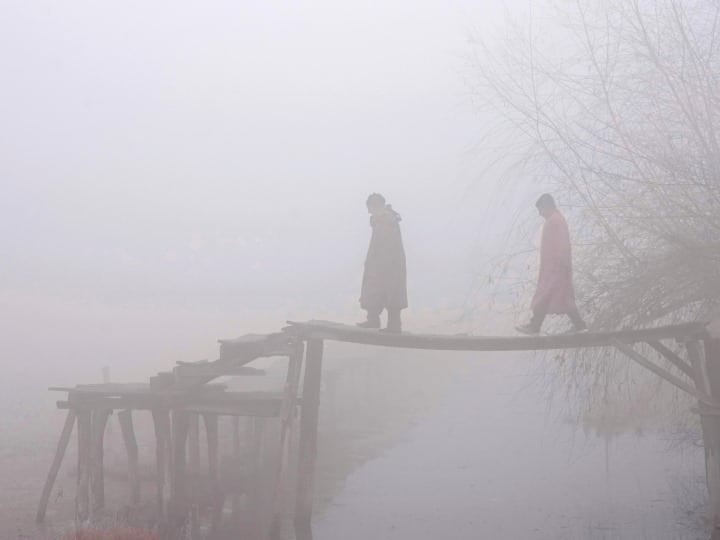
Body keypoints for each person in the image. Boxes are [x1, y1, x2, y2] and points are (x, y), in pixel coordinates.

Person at [516, 193, 587, 335]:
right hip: (555, 268)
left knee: (545, 295)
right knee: (561, 297)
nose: (539, 214)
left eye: (540, 210)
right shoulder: (556, 219)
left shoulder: (555, 221)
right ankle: (580, 326)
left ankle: (535, 326)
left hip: (555, 268)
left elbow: (561, 245)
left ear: (546, 206)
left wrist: (559, 266)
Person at [357, 193, 408, 333]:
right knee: (375, 289)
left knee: (391, 292)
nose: (368, 212)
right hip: (381, 263)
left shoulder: (386, 220)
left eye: (370, 208)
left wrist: (377, 263)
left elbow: (385, 245)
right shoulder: (383, 220)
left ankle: (393, 325)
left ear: (376, 206)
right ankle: (374, 320)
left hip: (389, 264)